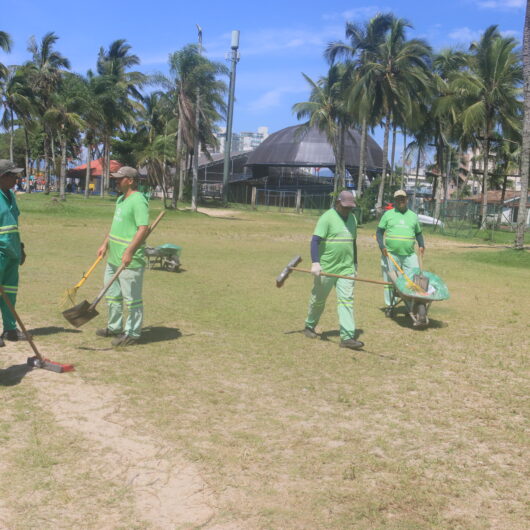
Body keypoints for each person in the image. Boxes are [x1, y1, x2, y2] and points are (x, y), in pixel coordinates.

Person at [303, 190, 364, 350]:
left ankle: (347, 337)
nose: (347, 210)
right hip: (327, 268)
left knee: (346, 301)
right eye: (345, 207)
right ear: (338, 203)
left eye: (350, 208)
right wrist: (315, 262)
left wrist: (355, 263)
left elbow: (353, 243)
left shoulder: (352, 219)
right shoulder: (327, 218)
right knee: (319, 299)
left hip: (346, 268)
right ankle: (309, 325)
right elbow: (315, 241)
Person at [96, 167, 149, 346]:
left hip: (130, 260)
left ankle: (132, 333)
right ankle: (114, 327)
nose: (116, 181)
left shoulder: (138, 200)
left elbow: (143, 228)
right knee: (112, 296)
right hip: (113, 258)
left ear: (131, 180)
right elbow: (115, 227)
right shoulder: (120, 199)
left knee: (131, 299)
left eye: (120, 179)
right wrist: (105, 243)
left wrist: (129, 251)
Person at [376, 189, 425, 316]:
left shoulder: (413, 216)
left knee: (414, 279)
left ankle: (414, 305)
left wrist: (421, 245)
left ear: (407, 199)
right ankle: (390, 305)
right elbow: (379, 232)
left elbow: (418, 233)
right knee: (390, 281)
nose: (401, 200)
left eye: (403, 198)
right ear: (395, 200)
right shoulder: (388, 215)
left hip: (409, 255)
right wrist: (382, 246)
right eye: (398, 198)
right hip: (391, 254)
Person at [0, 160, 27, 347]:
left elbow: (14, 226)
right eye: (13, 175)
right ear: (2, 176)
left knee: (10, 292)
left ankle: (10, 328)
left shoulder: (11, 196)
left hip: (12, 253)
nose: (17, 179)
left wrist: (21, 248)